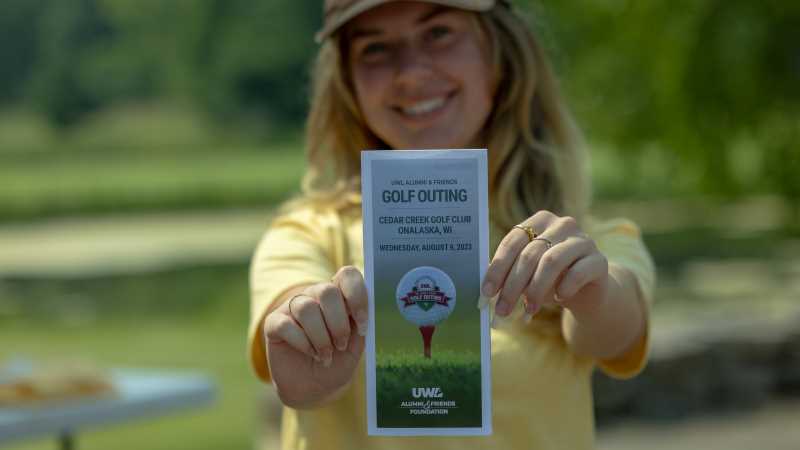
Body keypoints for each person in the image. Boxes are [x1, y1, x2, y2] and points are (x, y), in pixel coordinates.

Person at [248, 1, 655, 449]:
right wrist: (308, 343)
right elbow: (294, 349)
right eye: (375, 49)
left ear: (500, 54)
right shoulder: (306, 234)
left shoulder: (585, 238)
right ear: (347, 83)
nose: (410, 72)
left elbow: (615, 334)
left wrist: (590, 292)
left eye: (439, 32)